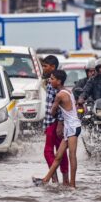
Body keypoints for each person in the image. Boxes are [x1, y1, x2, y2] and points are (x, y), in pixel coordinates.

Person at [33, 70, 81, 188]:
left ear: (59, 81)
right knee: (59, 156)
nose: (50, 80)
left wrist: (54, 108)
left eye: (52, 79)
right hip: (69, 127)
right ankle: (45, 180)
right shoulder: (67, 91)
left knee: (72, 155)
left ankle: (72, 185)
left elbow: (52, 111)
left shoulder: (59, 95)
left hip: (73, 127)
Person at [41, 55, 69, 185]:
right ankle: (64, 181)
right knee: (60, 152)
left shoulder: (55, 83)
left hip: (55, 122)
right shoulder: (51, 81)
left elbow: (60, 106)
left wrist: (60, 124)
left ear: (52, 67)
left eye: (45, 66)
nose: (43, 68)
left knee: (49, 152)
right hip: (50, 122)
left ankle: (55, 179)